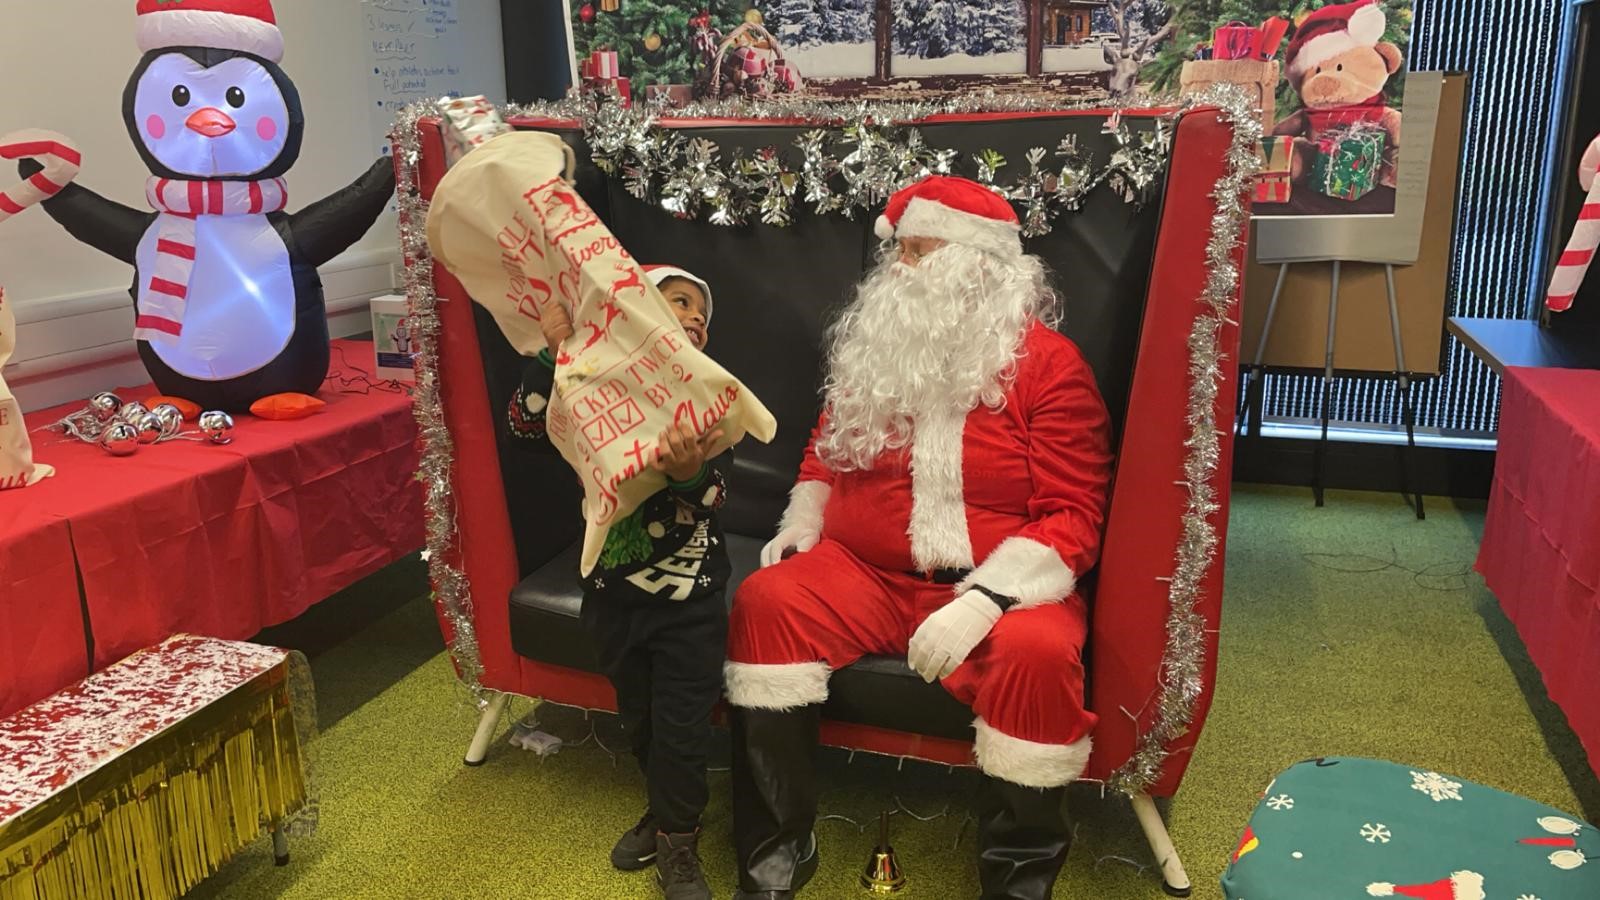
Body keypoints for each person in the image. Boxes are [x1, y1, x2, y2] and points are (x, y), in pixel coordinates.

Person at [723, 177, 1114, 900]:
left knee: (1038, 653)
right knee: (768, 602)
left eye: (919, 251)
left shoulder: (1050, 367)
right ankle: (776, 850)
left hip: (993, 587)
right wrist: (804, 517)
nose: (900, 269)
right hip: (860, 572)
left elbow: (1073, 513)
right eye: (897, 252)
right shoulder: (879, 352)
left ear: (979, 263)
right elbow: (826, 447)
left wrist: (989, 598)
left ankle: (1018, 878)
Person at [507, 264, 727, 900]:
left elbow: (716, 494)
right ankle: (664, 812)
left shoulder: (710, 397)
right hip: (612, 597)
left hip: (690, 604)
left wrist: (689, 474)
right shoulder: (588, 391)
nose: (693, 317)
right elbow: (524, 429)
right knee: (641, 720)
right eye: (678, 301)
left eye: (702, 316)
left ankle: (680, 845)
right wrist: (551, 356)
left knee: (682, 728)